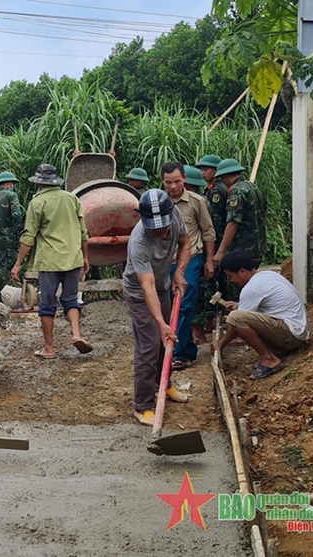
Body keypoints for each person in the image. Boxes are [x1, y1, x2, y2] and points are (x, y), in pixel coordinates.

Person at [123, 189, 191, 426]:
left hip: (162, 285)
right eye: (155, 227)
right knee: (150, 345)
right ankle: (143, 405)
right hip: (140, 293)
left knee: (167, 342)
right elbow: (146, 285)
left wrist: (179, 273)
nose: (161, 231)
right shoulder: (139, 240)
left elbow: (185, 242)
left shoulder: (175, 216)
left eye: (163, 226)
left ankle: (164, 384)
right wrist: (161, 324)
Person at [12, 164, 92, 358]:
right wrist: (85, 256)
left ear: (39, 182)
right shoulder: (72, 198)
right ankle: (76, 334)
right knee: (70, 299)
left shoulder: (37, 203)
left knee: (47, 303)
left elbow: (28, 236)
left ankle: (49, 348)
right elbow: (84, 232)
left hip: (50, 260)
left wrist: (18, 263)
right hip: (73, 258)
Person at [214, 251, 309, 379]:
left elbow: (236, 322)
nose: (231, 281)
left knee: (235, 317)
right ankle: (276, 351)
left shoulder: (250, 289)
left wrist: (220, 344)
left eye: (231, 276)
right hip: (297, 332)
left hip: (291, 335)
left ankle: (269, 360)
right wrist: (238, 305)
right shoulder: (267, 275)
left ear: (242, 271)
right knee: (238, 314)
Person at [162, 162, 215, 370]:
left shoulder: (196, 202)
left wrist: (209, 260)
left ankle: (180, 353)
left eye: (177, 181)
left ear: (184, 178)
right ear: (163, 182)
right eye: (168, 182)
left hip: (191, 258)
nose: (173, 186)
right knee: (166, 306)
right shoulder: (159, 202)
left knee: (183, 305)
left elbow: (208, 231)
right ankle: (182, 348)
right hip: (165, 261)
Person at [212, 158, 267, 272]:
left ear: (225, 176)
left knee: (238, 284)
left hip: (242, 249)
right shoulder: (254, 187)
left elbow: (233, 222)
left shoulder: (236, 191)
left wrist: (221, 250)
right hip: (258, 248)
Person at [193, 154, 226, 343]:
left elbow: (211, 223)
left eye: (206, 169)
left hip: (213, 241)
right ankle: (210, 321)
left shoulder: (215, 192)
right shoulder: (211, 190)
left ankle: (210, 321)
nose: (203, 172)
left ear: (216, 171)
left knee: (209, 282)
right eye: (201, 169)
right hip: (214, 241)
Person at [0, 171, 24, 301]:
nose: (12, 186)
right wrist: (19, 232)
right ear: (8, 184)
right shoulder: (11, 196)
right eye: (12, 184)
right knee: (7, 268)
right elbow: (17, 215)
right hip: (6, 239)